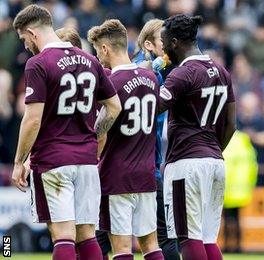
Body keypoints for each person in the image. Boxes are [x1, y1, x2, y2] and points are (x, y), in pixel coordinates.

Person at [10, 4, 121, 260]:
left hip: (53, 161)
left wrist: (18, 161)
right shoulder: (91, 60)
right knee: (87, 236)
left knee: (62, 235)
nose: (25, 45)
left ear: (32, 32)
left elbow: (32, 120)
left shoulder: (38, 64)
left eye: (24, 39)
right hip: (86, 161)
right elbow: (114, 107)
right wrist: (92, 136)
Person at [158, 14, 236, 260]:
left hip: (186, 163)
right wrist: (212, 150)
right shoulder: (222, 71)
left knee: (188, 237)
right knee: (207, 237)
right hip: (215, 161)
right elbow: (231, 125)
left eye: (163, 42)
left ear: (174, 42)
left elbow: (152, 107)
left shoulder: (182, 74)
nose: (162, 48)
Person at [87, 19, 164, 260]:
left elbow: (101, 130)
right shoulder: (150, 78)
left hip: (117, 174)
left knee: (121, 248)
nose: (97, 57)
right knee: (151, 245)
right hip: (146, 172)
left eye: (97, 50)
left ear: (105, 49)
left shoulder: (110, 83)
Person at [132, 18, 180, 260]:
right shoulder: (148, 73)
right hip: (148, 166)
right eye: (165, 41)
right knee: (165, 237)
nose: (171, 45)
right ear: (149, 45)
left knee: (105, 235)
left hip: (129, 164)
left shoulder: (132, 70)